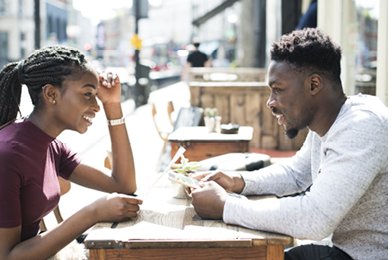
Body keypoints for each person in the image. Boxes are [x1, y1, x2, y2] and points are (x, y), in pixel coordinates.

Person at [191, 28, 388, 260]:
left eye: (278, 90)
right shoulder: (329, 121)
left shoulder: (362, 125)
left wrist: (225, 206)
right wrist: (238, 182)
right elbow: (296, 174)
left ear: (314, 85)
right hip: (345, 251)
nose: (270, 102)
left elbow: (315, 218)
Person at [0, 46, 143, 259]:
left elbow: (123, 184)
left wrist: (113, 105)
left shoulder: (51, 146)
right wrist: (92, 213)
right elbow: (8, 256)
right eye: (88, 94)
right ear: (51, 94)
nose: (96, 106)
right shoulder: (8, 155)